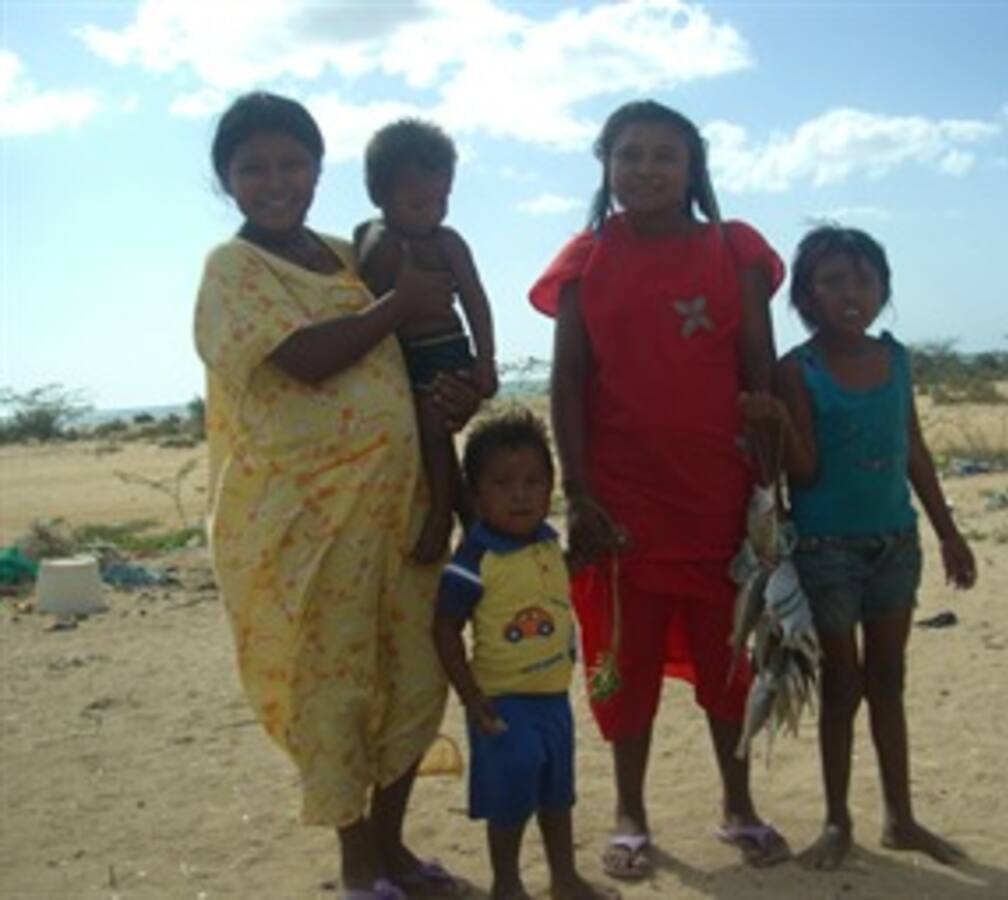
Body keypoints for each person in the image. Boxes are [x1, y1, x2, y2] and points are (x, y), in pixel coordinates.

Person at [194, 92, 478, 900]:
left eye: (292, 164)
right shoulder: (233, 269)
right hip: (302, 528)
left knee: (414, 678)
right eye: (254, 168)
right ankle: (358, 866)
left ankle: (394, 849)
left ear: (320, 170)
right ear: (228, 180)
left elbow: (420, 358)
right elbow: (305, 360)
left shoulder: (349, 255)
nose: (276, 182)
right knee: (333, 688)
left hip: (401, 512)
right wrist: (397, 307)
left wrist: (455, 415)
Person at [528, 99, 790, 880]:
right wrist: (577, 491)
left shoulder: (733, 249)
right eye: (629, 154)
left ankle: (737, 805)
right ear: (606, 165)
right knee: (625, 661)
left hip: (719, 494)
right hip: (621, 501)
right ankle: (630, 812)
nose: (646, 169)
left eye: (664, 155)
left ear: (693, 167)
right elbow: (568, 382)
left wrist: (769, 488)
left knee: (730, 658)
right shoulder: (585, 260)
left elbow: (760, 371)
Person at [744, 224, 977, 871]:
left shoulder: (896, 359)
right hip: (826, 550)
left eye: (865, 280)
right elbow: (807, 473)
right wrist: (782, 424)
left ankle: (901, 818)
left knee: (890, 680)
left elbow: (916, 451)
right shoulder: (799, 369)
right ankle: (837, 820)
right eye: (833, 281)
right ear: (807, 297)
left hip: (895, 543)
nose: (851, 293)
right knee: (843, 685)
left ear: (884, 289)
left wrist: (948, 532)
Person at [431, 408, 619, 900]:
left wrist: (590, 556)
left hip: (553, 698)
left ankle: (564, 878)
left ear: (551, 486)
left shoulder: (545, 542)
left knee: (558, 796)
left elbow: (552, 582)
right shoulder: (473, 559)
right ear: (476, 495)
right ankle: (508, 886)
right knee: (509, 802)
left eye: (534, 481)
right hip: (503, 703)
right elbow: (445, 627)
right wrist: (470, 696)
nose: (521, 494)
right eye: (503, 482)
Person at [354, 118, 498, 564]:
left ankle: (442, 514)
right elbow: (368, 260)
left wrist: (485, 359)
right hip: (401, 358)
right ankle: (465, 513)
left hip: (442, 348)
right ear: (381, 196)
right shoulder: (371, 236)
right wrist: (384, 237)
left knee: (435, 433)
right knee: (420, 433)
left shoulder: (447, 243)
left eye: (442, 199)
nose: (434, 211)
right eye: (419, 203)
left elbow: (476, 299)